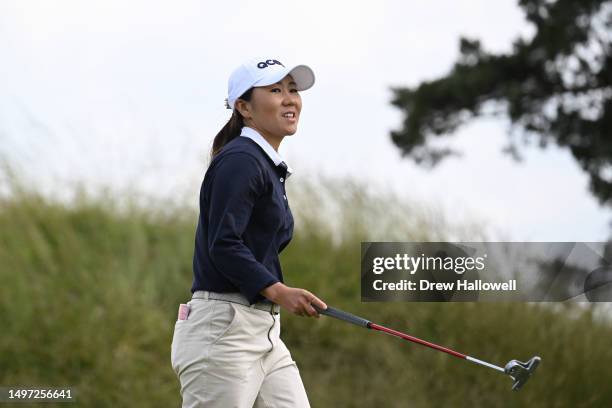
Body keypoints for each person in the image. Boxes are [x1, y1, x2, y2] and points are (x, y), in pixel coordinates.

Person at [171, 57, 327, 408]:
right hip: (223, 332)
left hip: (264, 330)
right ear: (244, 107)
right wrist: (280, 291)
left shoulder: (264, 164)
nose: (290, 98)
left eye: (292, 89)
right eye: (275, 90)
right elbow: (224, 245)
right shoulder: (241, 159)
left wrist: (277, 296)